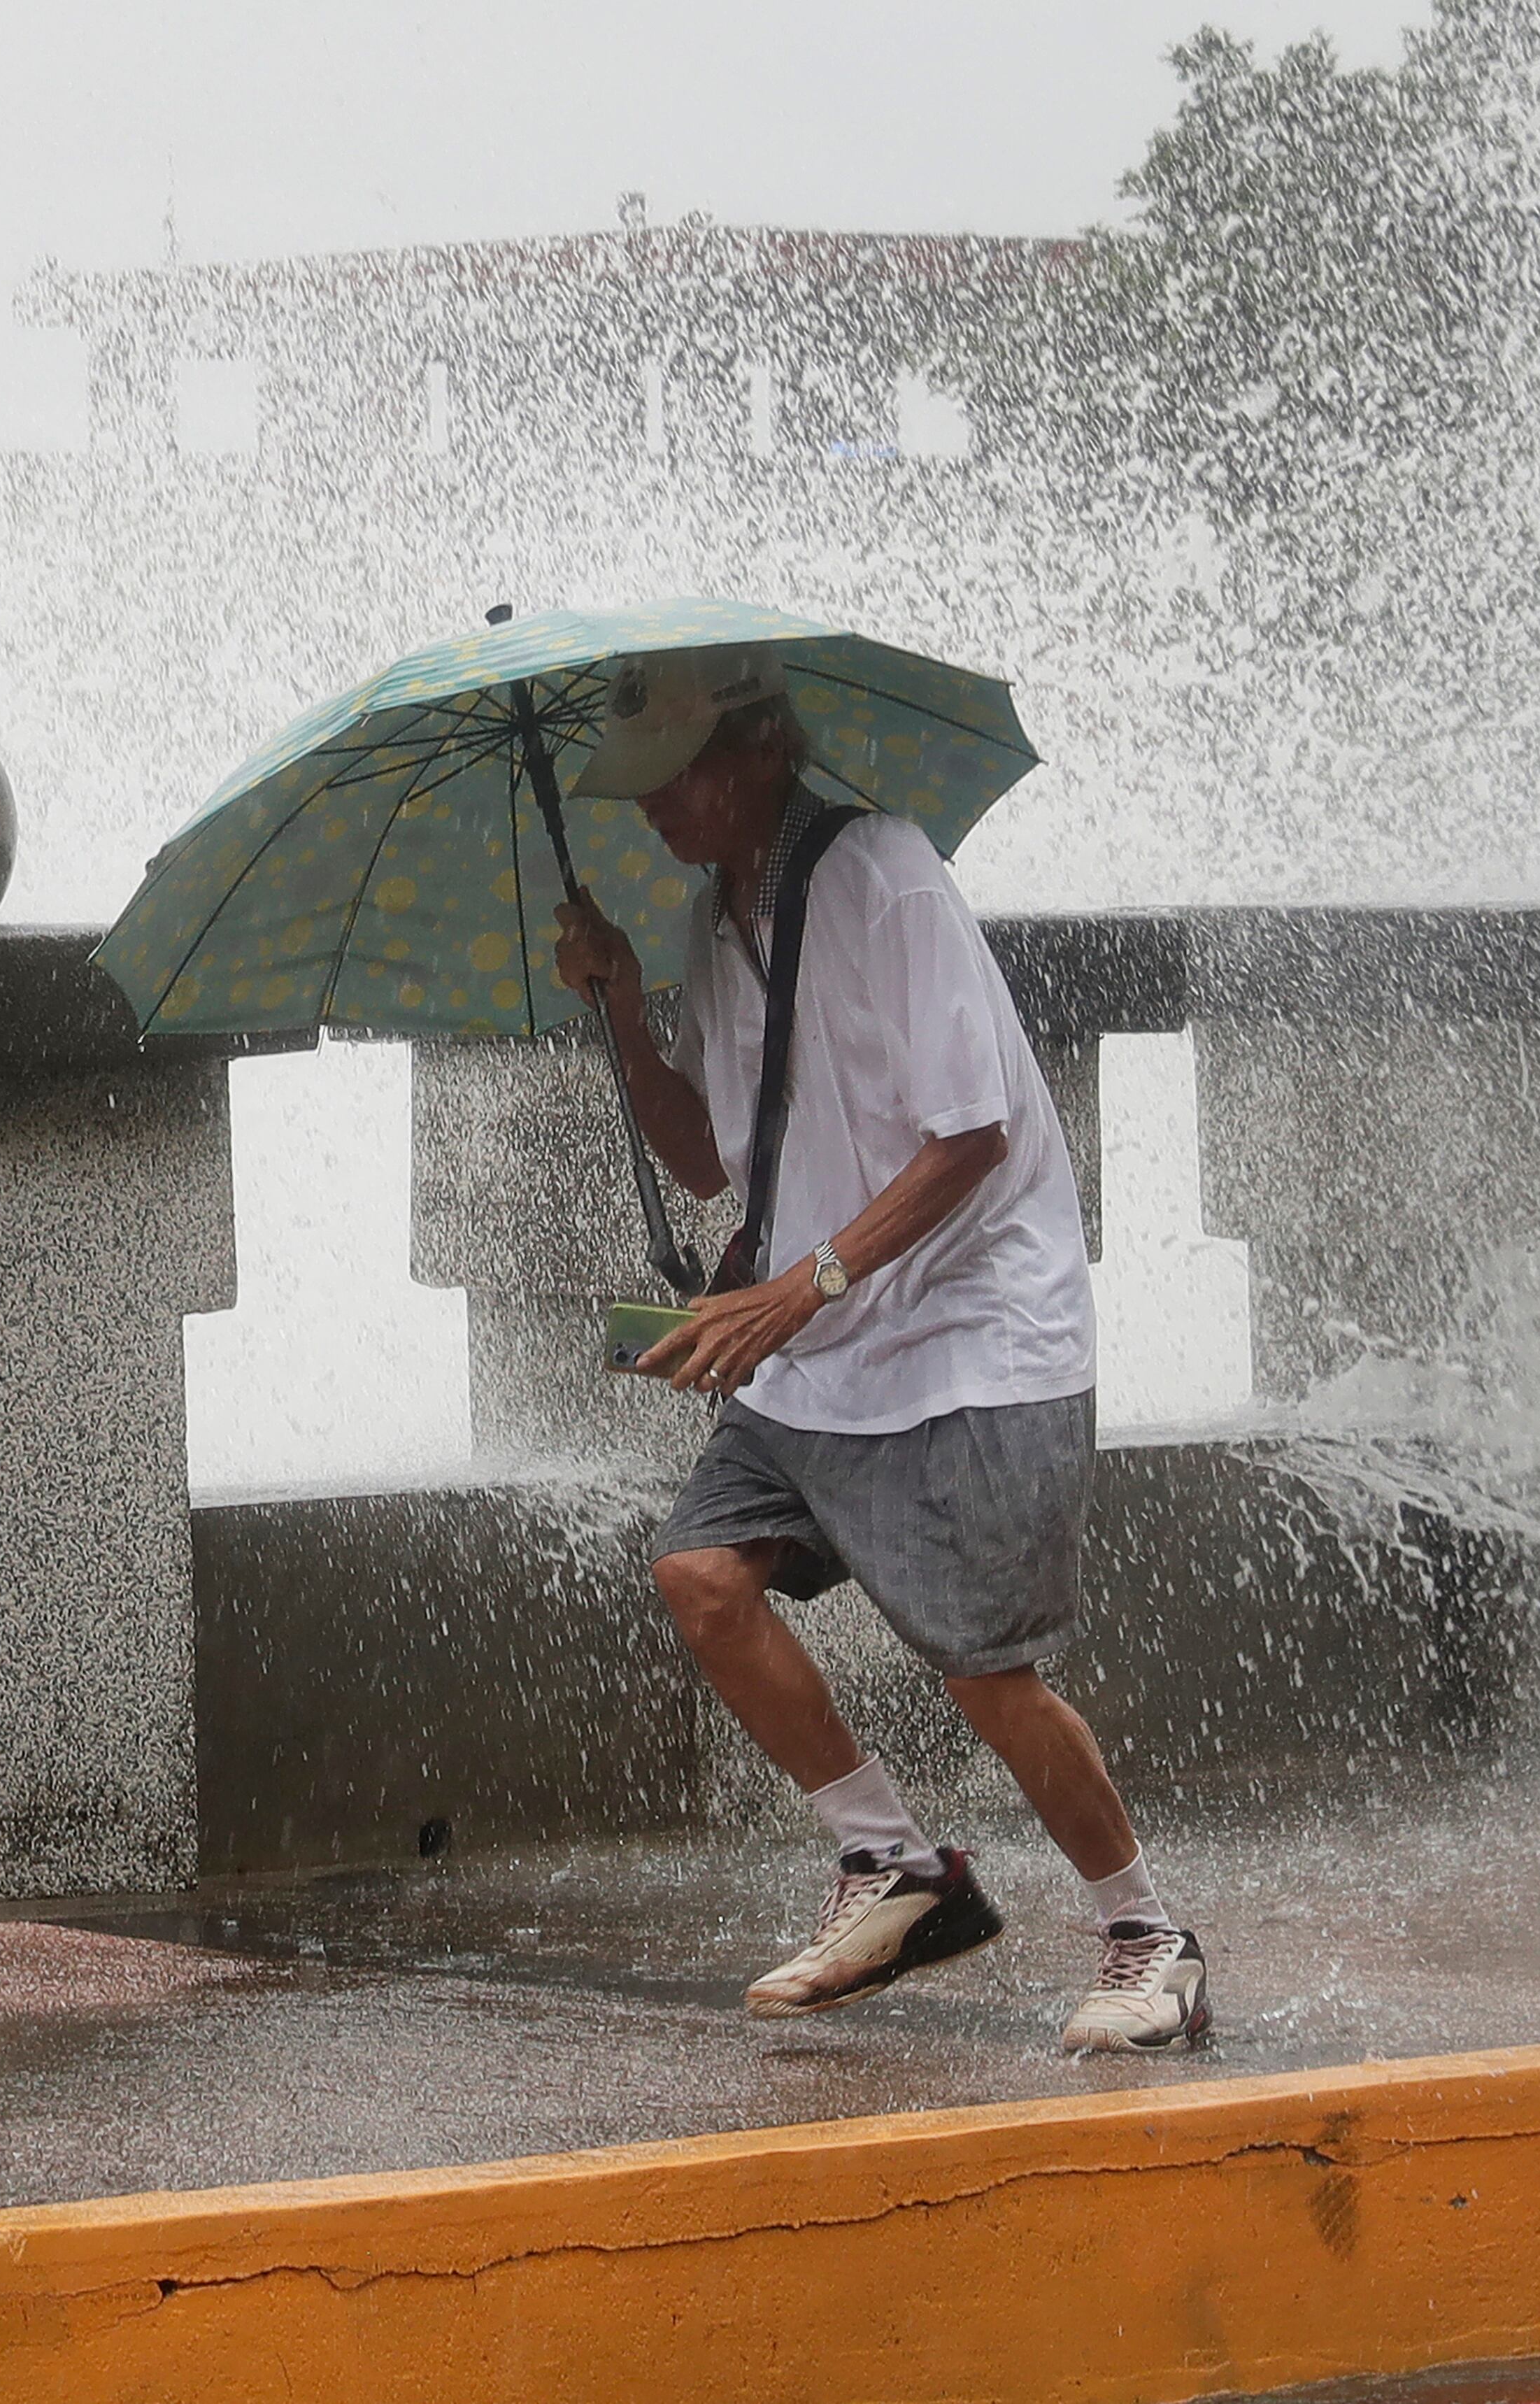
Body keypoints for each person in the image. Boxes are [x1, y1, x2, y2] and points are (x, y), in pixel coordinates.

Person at [548, 643, 1211, 2054]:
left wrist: (803, 1288)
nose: (652, 810)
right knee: (701, 1578)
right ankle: (898, 1865)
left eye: (672, 778)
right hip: (823, 1345)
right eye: (639, 787)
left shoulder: (882, 874)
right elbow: (715, 1162)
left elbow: (971, 1131)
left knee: (980, 1666)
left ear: (758, 755)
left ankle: (1148, 1932)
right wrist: (613, 999)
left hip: (972, 1335)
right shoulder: (708, 923)